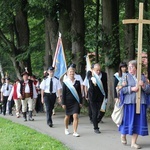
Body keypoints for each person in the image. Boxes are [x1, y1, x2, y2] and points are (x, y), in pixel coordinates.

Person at [119, 60, 150, 149]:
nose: (129, 68)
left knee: (137, 121)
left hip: (141, 103)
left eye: (132, 67)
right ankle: (123, 134)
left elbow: (148, 90)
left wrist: (143, 85)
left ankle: (133, 142)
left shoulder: (143, 77)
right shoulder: (125, 77)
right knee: (127, 120)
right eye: (129, 67)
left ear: (137, 67)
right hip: (129, 103)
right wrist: (131, 89)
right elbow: (120, 90)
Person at [62, 66, 82, 137]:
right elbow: (63, 94)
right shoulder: (65, 83)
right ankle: (66, 128)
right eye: (70, 72)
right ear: (67, 73)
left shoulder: (78, 82)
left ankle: (75, 131)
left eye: (72, 71)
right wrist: (63, 103)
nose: (71, 73)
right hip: (68, 102)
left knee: (75, 116)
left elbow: (79, 93)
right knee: (67, 116)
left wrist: (80, 102)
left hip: (75, 102)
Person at [87, 63, 108, 134]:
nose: (98, 72)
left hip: (101, 96)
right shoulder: (90, 74)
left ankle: (96, 121)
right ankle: (96, 127)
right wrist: (92, 78)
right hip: (92, 97)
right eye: (97, 70)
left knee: (102, 111)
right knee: (95, 112)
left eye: (99, 70)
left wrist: (106, 96)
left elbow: (105, 86)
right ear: (93, 70)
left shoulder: (104, 75)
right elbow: (88, 77)